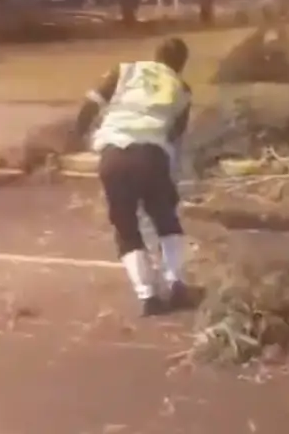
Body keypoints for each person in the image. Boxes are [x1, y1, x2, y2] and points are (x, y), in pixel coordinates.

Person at [74, 37, 197, 317]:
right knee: (166, 220)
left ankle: (148, 297)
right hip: (150, 155)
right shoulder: (182, 89)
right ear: (181, 65)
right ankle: (176, 284)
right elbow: (175, 134)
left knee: (126, 228)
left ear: (155, 55)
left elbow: (91, 104)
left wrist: (79, 132)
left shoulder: (124, 70)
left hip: (113, 157)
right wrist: (171, 175)